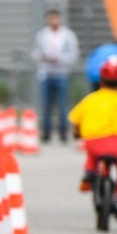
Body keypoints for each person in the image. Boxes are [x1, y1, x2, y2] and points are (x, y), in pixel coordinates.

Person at [69, 56, 117, 222]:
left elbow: (75, 121)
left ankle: (89, 174)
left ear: (101, 81)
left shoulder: (90, 99)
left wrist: (77, 133)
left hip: (93, 141)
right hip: (115, 144)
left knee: (92, 153)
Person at [31, 9, 79, 143]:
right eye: (51, 19)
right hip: (46, 73)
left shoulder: (68, 36)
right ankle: (46, 132)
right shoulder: (42, 35)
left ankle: (63, 131)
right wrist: (42, 57)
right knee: (46, 105)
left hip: (61, 73)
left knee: (62, 105)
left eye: (56, 18)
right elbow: (35, 52)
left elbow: (73, 55)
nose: (54, 21)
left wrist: (60, 58)